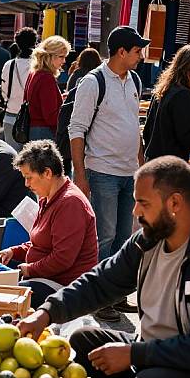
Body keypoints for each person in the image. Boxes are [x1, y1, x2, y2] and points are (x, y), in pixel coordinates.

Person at [18, 156, 190, 378]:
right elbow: (100, 282)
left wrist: (133, 354)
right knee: (83, 340)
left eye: (143, 203)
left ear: (175, 203)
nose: (135, 212)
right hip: (152, 349)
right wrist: (46, 313)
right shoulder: (147, 242)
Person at [69, 26, 148, 320]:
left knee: (123, 240)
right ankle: (99, 300)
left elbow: (134, 127)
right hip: (102, 172)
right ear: (122, 52)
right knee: (105, 238)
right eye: (137, 51)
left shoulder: (135, 80)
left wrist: (141, 166)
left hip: (129, 173)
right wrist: (81, 175)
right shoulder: (93, 82)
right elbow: (76, 129)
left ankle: (114, 296)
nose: (141, 56)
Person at [0, 140, 97, 308]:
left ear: (47, 173)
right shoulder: (48, 196)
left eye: (29, 178)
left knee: (1, 296)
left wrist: (29, 269)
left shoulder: (70, 203)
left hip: (65, 288)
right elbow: (41, 242)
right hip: (44, 278)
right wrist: (14, 251)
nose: (26, 184)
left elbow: (62, 259)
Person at [144, 44, 190, 162]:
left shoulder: (163, 90)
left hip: (153, 163)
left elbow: (147, 132)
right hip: (170, 167)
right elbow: (188, 137)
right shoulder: (182, 94)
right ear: (189, 67)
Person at [25, 35, 70, 141]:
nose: (64, 61)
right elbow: (51, 117)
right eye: (61, 57)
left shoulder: (35, 73)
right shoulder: (46, 77)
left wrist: (59, 98)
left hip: (35, 130)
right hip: (44, 132)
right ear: (50, 56)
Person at [1, 27, 37, 152]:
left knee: (13, 160)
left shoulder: (9, 65)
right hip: (33, 118)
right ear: (34, 43)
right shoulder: (38, 66)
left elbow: (4, 93)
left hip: (11, 116)